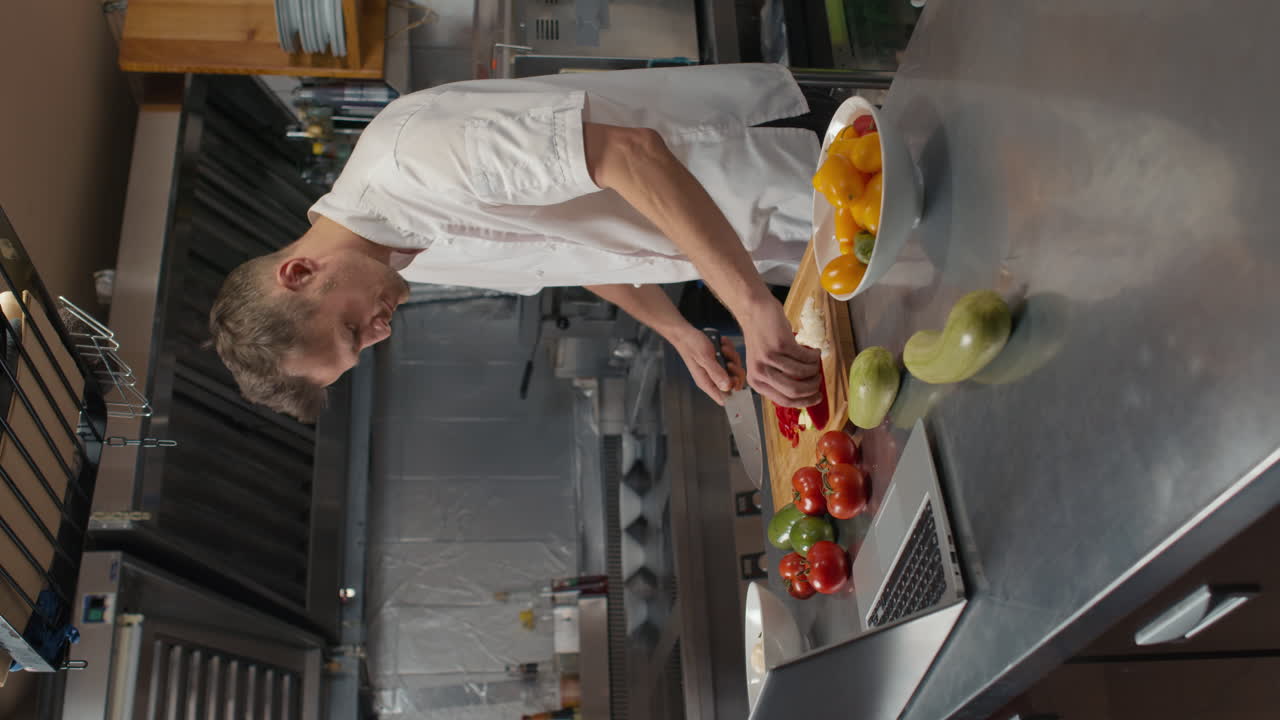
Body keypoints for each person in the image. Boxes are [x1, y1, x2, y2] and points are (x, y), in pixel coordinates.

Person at [209, 63, 833, 421]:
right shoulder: (387, 259)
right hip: (767, 237)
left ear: (299, 274)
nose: (380, 334)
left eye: (352, 332)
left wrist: (750, 308)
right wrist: (676, 330)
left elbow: (630, 156)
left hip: (785, 154)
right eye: (360, 349)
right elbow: (566, 251)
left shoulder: (414, 163)